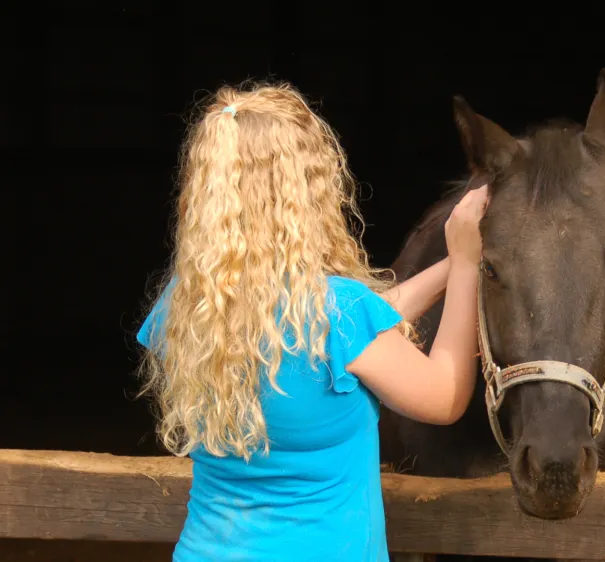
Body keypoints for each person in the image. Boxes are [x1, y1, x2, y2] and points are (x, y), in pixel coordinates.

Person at [135, 82, 488, 562]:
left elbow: (329, 337)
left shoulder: (186, 308)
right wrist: (467, 267)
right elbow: (443, 395)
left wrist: (446, 266)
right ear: (304, 189)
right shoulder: (338, 314)